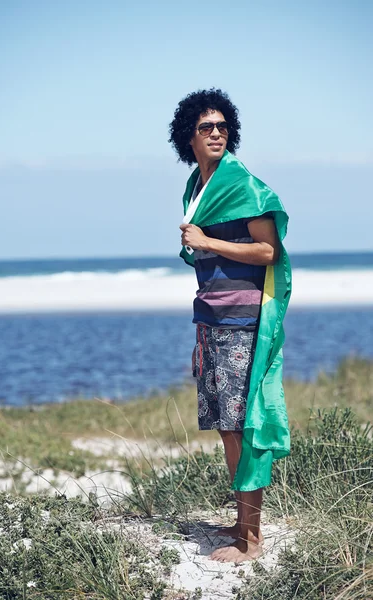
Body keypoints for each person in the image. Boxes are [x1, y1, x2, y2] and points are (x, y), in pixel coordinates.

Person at [168, 88, 292, 563]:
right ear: (189, 137)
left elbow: (268, 251)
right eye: (206, 127)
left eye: (222, 126)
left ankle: (251, 540)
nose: (216, 132)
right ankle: (242, 521)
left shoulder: (242, 185)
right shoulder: (197, 187)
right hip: (211, 318)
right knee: (226, 426)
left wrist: (208, 243)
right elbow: (203, 245)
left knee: (243, 426)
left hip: (242, 322)